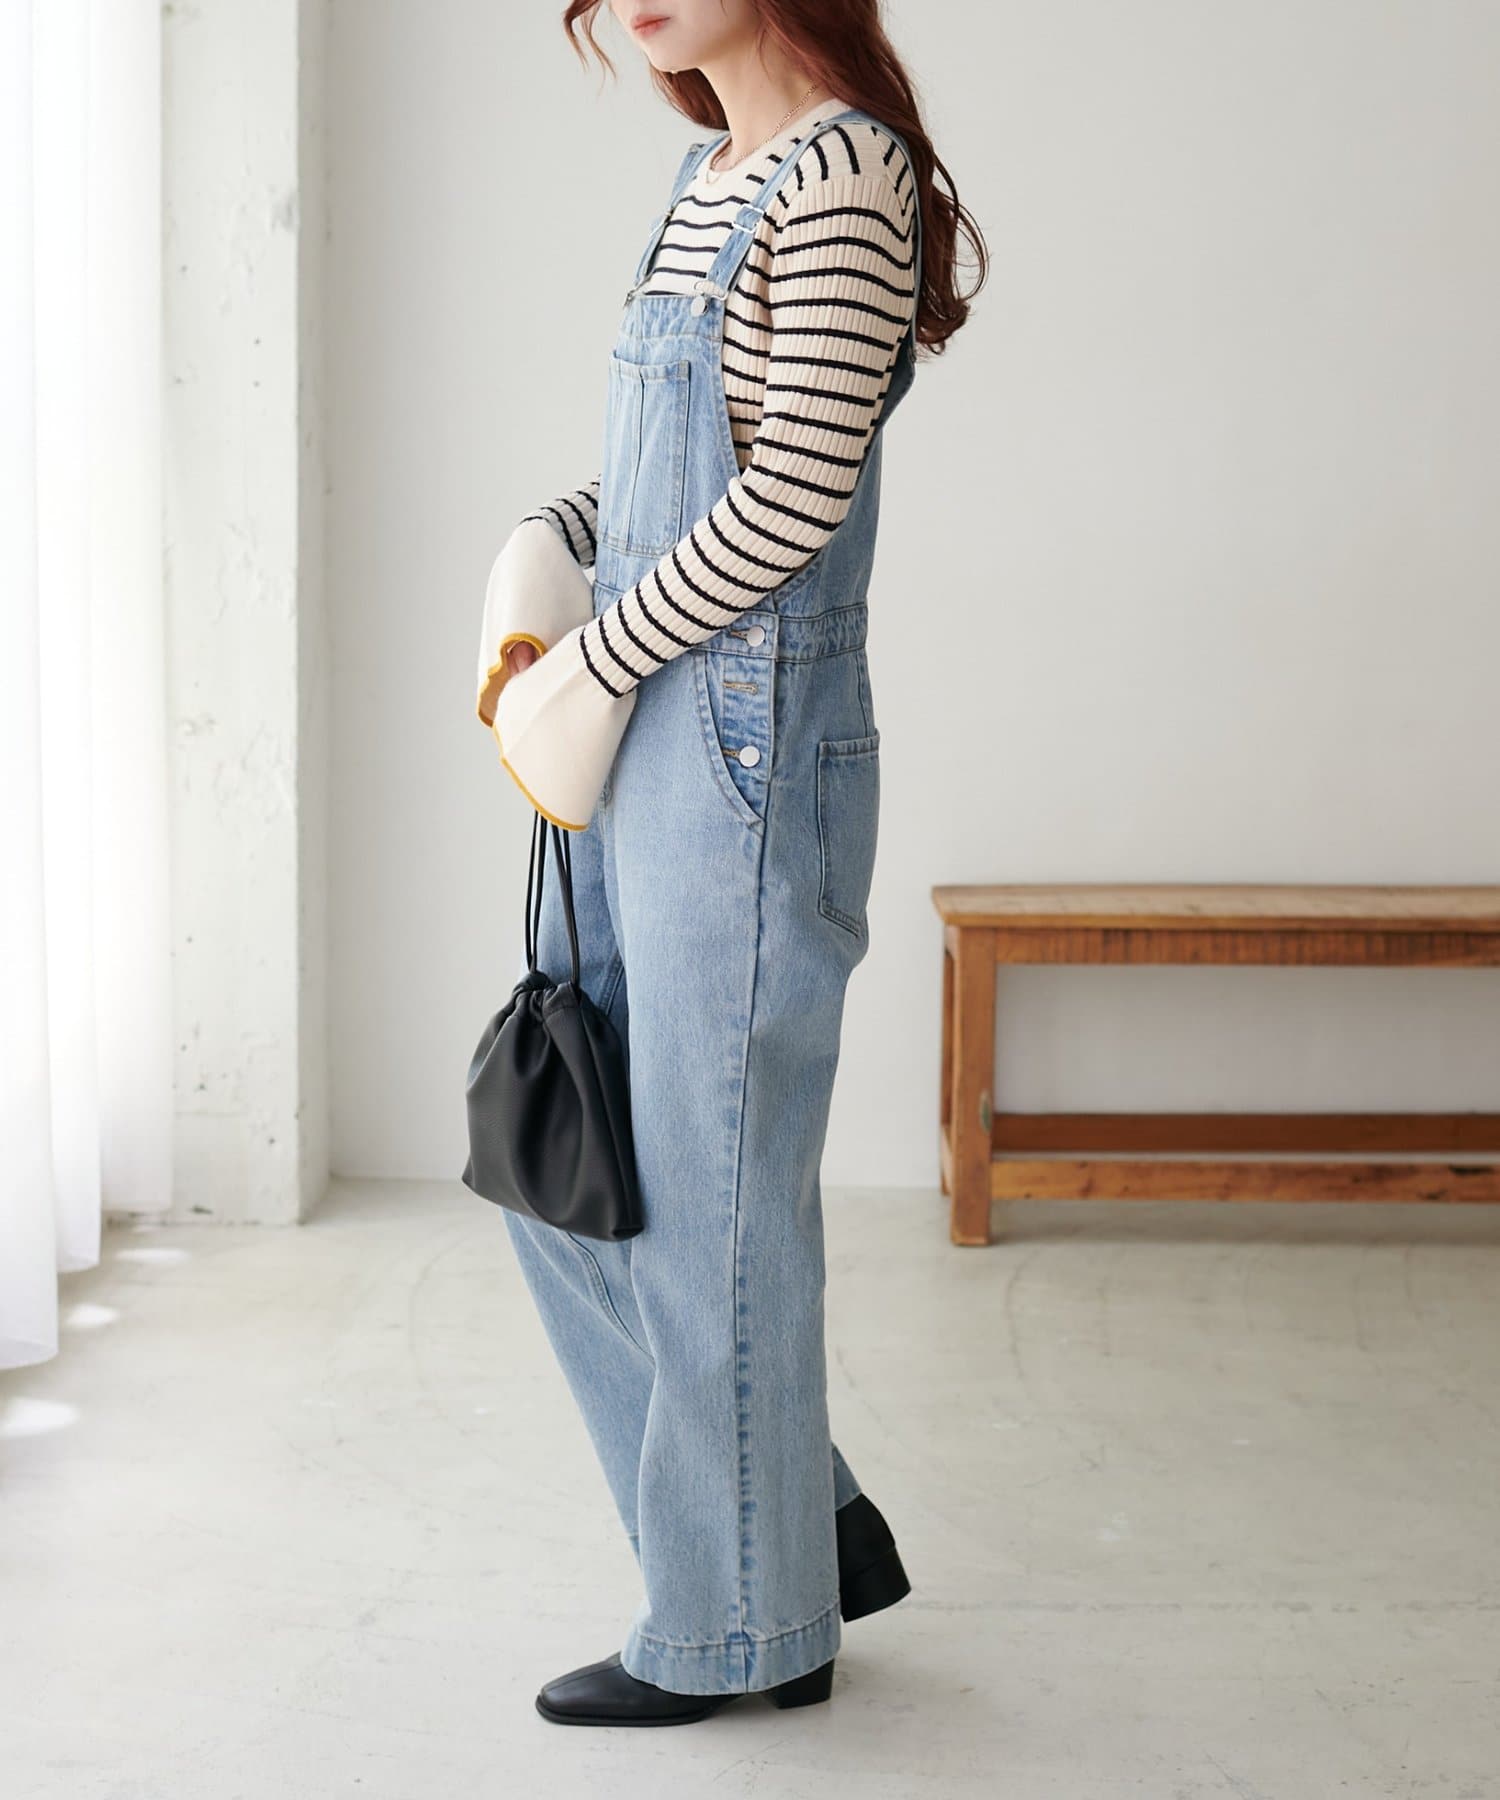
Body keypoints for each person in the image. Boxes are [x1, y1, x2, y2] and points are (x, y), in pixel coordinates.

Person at [474, 0, 985, 1729]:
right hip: (638, 741)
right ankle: (794, 1535)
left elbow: (791, 501)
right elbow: (664, 481)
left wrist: (596, 660)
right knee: (570, 1158)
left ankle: (737, 1629)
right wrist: (553, 539)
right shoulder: (714, 172)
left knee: (710, 1203)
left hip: (746, 752)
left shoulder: (843, 176)